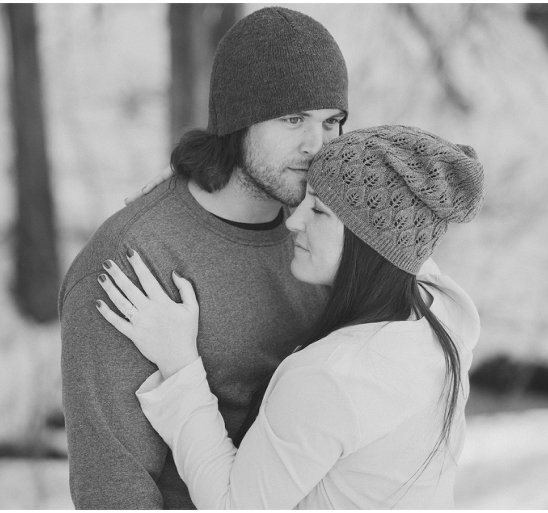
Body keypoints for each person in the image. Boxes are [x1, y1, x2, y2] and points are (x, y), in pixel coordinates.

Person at [95, 125, 485, 509]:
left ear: (368, 244)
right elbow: (397, 215)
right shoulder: (444, 312)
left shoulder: (333, 377)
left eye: (317, 210)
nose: (294, 220)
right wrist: (210, 177)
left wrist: (179, 363)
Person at [59, 6, 349, 509]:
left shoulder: (331, 234)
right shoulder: (132, 261)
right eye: (292, 118)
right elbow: (114, 490)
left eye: (331, 122)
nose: (317, 145)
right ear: (236, 119)